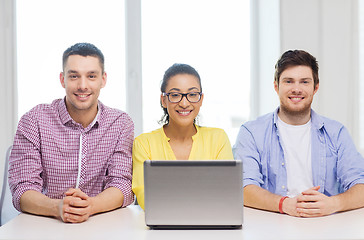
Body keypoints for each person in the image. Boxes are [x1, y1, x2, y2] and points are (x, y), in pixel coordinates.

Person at [8, 43, 134, 223]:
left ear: (103, 79)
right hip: (44, 223)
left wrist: (91, 206)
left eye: (91, 76)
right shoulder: (34, 120)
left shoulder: (121, 123)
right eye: (74, 76)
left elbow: (122, 184)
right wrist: (57, 207)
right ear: (62, 79)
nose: (83, 86)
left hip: (101, 223)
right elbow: (22, 188)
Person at [233, 50, 364, 217]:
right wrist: (284, 204)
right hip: (270, 224)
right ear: (276, 86)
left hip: (326, 224)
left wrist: (333, 203)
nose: (296, 89)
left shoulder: (336, 133)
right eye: (288, 81)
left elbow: (361, 185)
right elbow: (244, 188)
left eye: (304, 82)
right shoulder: (251, 132)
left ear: (315, 87)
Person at [132, 63, 234, 210]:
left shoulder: (218, 138)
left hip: (208, 225)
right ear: (163, 100)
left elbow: (225, 193)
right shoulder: (144, 143)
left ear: (201, 99)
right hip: (160, 226)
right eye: (175, 95)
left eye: (192, 94)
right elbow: (145, 197)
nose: (184, 103)